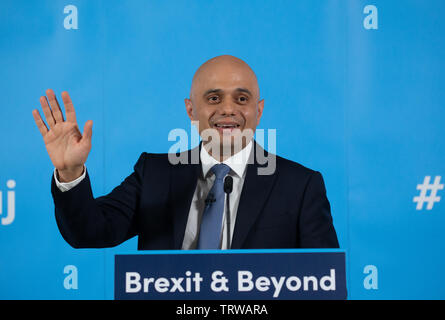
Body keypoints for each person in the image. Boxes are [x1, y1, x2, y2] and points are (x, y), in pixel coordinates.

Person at [32, 55, 339, 250]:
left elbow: (325, 286)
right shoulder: (153, 174)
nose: (228, 109)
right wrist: (70, 172)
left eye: (242, 98)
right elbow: (89, 232)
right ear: (191, 109)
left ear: (258, 111)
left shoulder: (301, 186)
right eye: (214, 98)